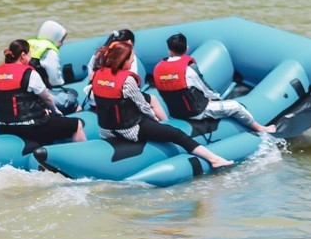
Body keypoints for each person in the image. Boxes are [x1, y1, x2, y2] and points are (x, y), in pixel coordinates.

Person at [91, 39, 232, 168]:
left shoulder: (98, 74)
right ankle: (214, 159)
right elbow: (143, 106)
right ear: (124, 60)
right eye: (131, 59)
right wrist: (154, 118)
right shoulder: (127, 80)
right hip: (129, 130)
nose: (132, 61)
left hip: (106, 130)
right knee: (177, 135)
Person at [153, 34, 276, 134]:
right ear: (186, 48)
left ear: (169, 50)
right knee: (236, 106)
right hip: (197, 113)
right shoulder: (189, 69)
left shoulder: (158, 69)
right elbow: (205, 88)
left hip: (176, 112)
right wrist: (216, 99)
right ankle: (260, 128)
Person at [0, 40, 86, 144]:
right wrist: (55, 111)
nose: (31, 57)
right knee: (76, 124)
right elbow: (47, 98)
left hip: (3, 126)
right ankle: (84, 155)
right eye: (29, 53)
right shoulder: (29, 73)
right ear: (23, 55)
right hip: (30, 126)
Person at [26, 20, 68, 87]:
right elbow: (55, 80)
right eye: (61, 40)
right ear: (55, 37)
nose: (62, 44)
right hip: (37, 90)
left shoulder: (28, 44)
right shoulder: (50, 51)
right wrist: (61, 83)